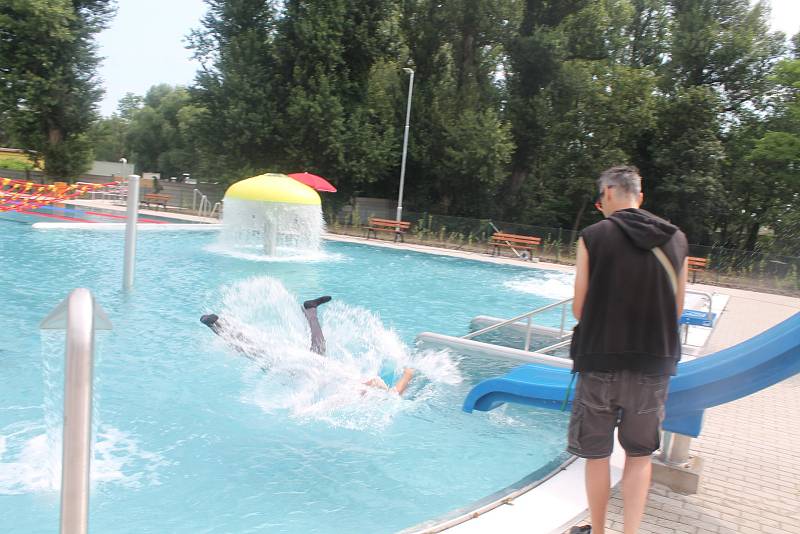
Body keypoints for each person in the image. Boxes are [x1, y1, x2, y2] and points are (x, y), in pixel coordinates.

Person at [568, 166, 688, 534]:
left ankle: (599, 531)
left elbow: (579, 308)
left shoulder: (593, 236)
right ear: (641, 195)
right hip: (652, 365)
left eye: (599, 199)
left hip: (599, 361)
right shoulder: (677, 239)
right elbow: (677, 308)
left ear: (607, 193)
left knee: (597, 455)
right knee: (639, 456)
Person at [200, 296, 415, 396]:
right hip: (303, 368)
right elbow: (394, 394)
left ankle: (309, 310)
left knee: (258, 352)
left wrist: (408, 373)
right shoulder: (353, 384)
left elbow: (393, 394)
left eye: (372, 382)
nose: (371, 379)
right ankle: (216, 325)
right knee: (256, 352)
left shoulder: (353, 388)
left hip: (304, 370)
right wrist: (410, 371)